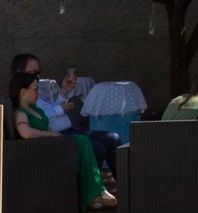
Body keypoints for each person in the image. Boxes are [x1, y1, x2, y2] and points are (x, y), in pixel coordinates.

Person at [9, 72, 116, 212]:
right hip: (43, 151)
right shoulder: (20, 112)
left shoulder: (34, 108)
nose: (37, 93)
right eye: (34, 89)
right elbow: (26, 132)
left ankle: (93, 192)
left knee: (86, 143)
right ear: (23, 92)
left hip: (53, 145)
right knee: (83, 141)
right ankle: (96, 192)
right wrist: (49, 134)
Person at [10, 54, 121, 182]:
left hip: (68, 130)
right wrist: (58, 111)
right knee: (98, 147)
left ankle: (125, 186)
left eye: (38, 73)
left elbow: (46, 111)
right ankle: (90, 191)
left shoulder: (33, 90)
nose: (37, 77)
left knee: (112, 138)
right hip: (58, 136)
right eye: (33, 73)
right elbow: (37, 119)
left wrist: (64, 91)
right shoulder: (26, 93)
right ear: (19, 73)